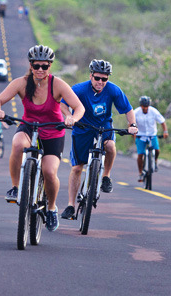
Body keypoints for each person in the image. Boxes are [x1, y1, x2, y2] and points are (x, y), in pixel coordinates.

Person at [0, 45, 85, 232]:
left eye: (44, 66)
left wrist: (72, 118)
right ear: (31, 65)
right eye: (36, 66)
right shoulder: (21, 83)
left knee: (49, 171)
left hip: (53, 131)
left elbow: (79, 107)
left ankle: (51, 209)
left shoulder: (57, 84)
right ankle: (16, 188)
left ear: (50, 66)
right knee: (17, 144)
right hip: (29, 126)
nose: (40, 70)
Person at [60, 59, 138, 220]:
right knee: (76, 168)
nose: (101, 82)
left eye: (104, 79)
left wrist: (133, 125)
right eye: (97, 78)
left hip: (104, 127)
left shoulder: (113, 90)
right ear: (91, 76)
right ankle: (70, 206)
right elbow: (63, 104)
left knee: (110, 146)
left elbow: (128, 109)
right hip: (82, 129)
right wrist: (69, 117)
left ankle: (106, 177)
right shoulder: (79, 89)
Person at [134, 95, 169, 181]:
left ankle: (155, 161)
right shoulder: (136, 112)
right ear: (140, 105)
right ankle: (140, 173)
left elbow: (162, 121)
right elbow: (131, 123)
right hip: (140, 135)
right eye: (143, 106)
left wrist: (165, 132)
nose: (145, 108)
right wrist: (133, 133)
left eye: (146, 106)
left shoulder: (154, 111)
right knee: (140, 154)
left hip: (152, 135)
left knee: (157, 150)